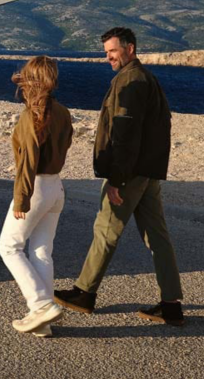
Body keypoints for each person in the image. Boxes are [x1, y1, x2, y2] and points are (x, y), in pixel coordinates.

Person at [54, 27, 184, 326]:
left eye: (112, 52)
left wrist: (116, 178)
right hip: (147, 171)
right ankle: (171, 305)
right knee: (158, 237)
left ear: (130, 49)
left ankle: (84, 294)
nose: (108, 57)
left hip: (132, 172)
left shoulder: (132, 81)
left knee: (106, 229)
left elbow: (125, 135)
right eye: (106, 52)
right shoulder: (145, 77)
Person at [0, 56, 73, 337]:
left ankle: (41, 304)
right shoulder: (63, 112)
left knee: (9, 247)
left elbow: (28, 160)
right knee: (41, 251)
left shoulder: (31, 116)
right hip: (56, 187)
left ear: (31, 81)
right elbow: (65, 145)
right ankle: (42, 321)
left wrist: (22, 198)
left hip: (36, 188)